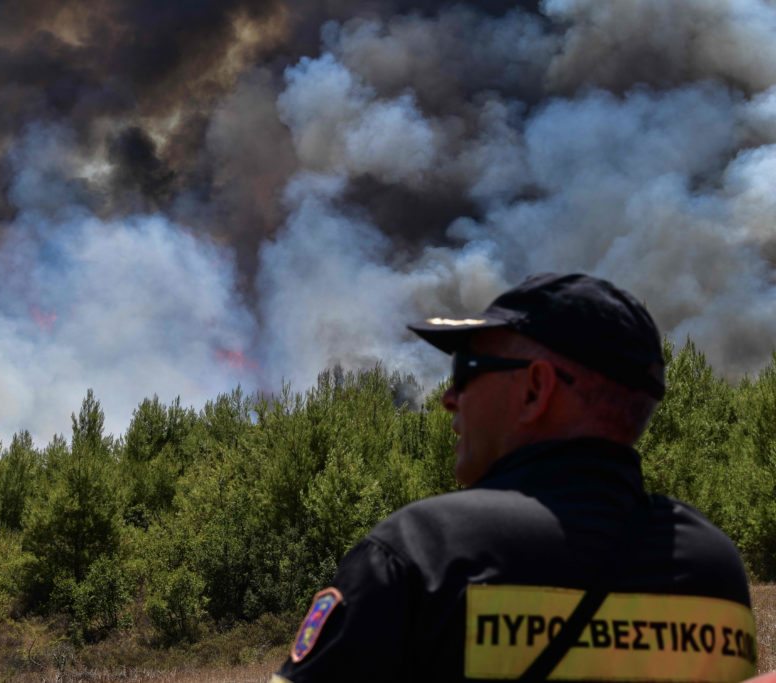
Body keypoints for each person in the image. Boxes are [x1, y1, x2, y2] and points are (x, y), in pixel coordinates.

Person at [271, 272, 757, 682]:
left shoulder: (422, 552)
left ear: (536, 389)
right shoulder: (712, 568)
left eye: (467, 369)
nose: (449, 398)